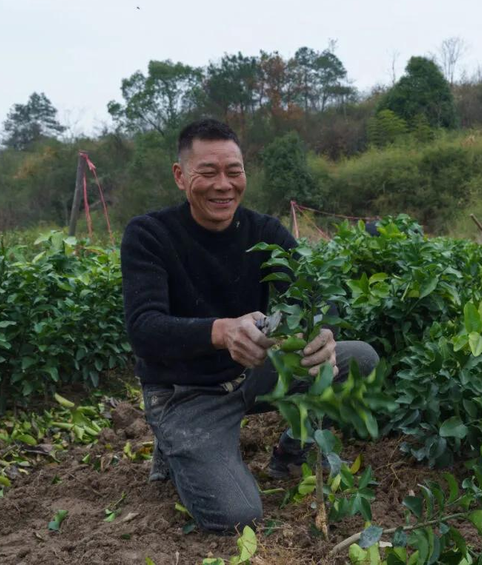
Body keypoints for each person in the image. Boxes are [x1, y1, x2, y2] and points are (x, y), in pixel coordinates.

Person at [120, 118, 378, 533]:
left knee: (359, 359)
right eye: (208, 172)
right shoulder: (150, 234)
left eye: (233, 171)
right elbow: (144, 329)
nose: (223, 185)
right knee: (237, 515)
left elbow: (315, 292)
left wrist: (321, 331)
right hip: (185, 393)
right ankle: (176, 445)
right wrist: (222, 331)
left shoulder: (264, 231)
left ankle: (290, 454)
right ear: (180, 176)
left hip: (250, 373)